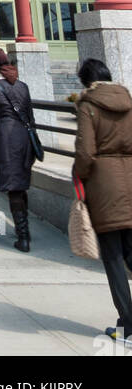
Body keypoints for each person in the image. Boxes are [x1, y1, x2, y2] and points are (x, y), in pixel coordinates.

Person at [72, 57, 132, 345]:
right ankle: (125, 324)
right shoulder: (128, 100)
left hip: (104, 186)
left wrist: (79, 175)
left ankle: (128, 329)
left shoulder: (88, 105)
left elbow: (85, 151)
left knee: (114, 258)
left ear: (86, 81)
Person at [0, 46, 37, 252]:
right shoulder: (23, 86)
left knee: (13, 187)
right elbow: (30, 116)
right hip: (25, 138)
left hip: (7, 139)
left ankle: (23, 236)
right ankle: (25, 230)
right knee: (21, 184)